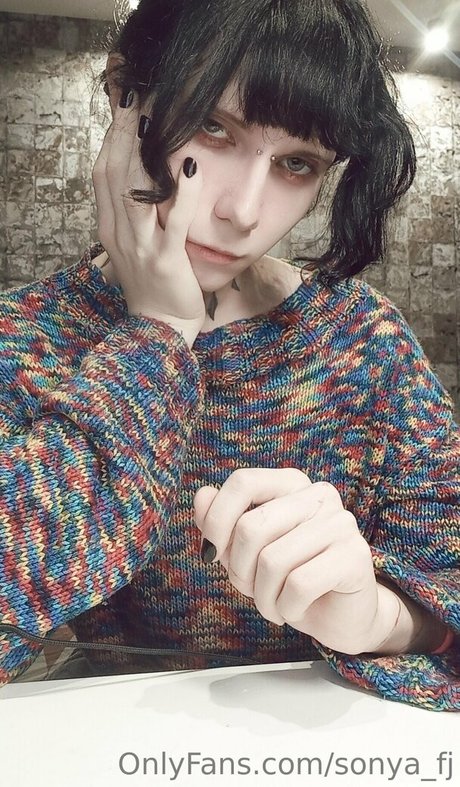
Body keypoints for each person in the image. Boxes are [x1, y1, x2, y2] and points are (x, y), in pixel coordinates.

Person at [0, 0, 459, 710]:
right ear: (126, 97)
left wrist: (379, 617)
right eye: (214, 127)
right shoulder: (26, 339)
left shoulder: (363, 342)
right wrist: (159, 334)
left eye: (297, 164)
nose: (243, 211)